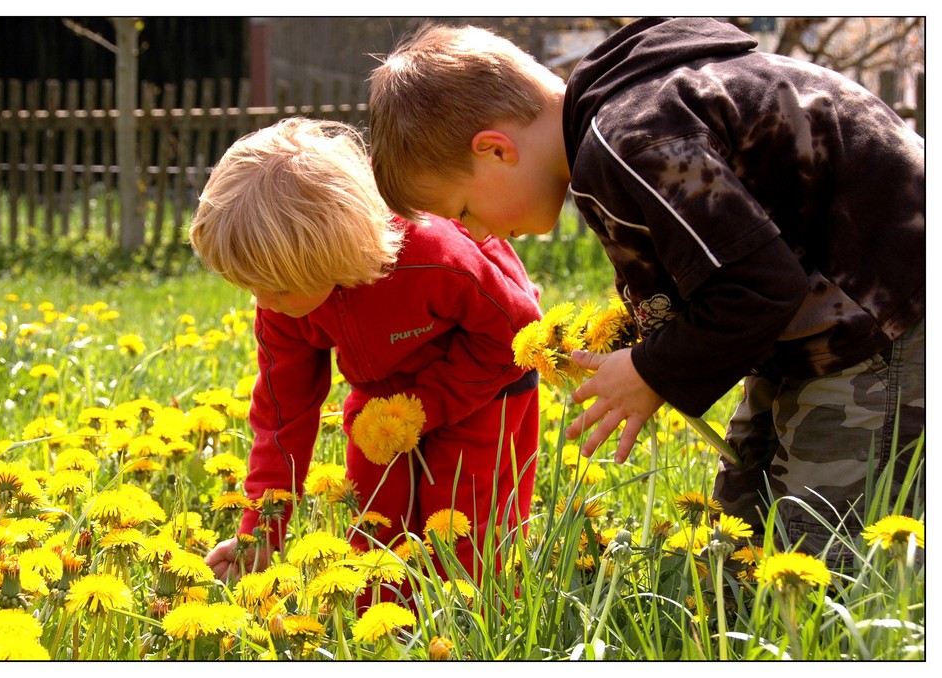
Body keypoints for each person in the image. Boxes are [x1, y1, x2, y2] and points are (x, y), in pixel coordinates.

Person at [367, 18, 925, 560]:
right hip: (815, 320)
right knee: (740, 514)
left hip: (885, 312)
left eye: (464, 211)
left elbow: (757, 284)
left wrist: (651, 372)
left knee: (828, 540)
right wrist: (635, 339)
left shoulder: (628, 140)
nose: (477, 234)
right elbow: (710, 267)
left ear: (495, 149)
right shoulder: (613, 129)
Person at [188, 117, 542, 586]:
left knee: (460, 530)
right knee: (374, 527)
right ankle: (381, 639)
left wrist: (427, 406)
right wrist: (262, 533)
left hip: (487, 382)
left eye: (274, 287)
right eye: (249, 286)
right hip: (383, 393)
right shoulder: (283, 306)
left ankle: (468, 635)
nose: (262, 301)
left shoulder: (430, 253)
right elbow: (281, 416)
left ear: (329, 255)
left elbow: (517, 332)